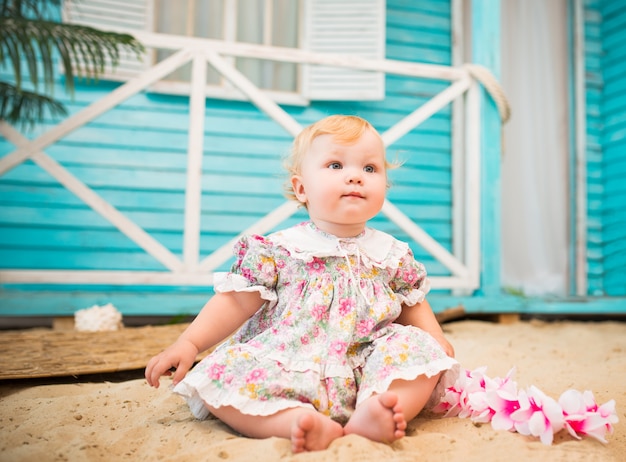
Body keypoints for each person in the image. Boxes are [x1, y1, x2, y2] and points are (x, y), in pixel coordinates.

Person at [145, 114, 459, 453]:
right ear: (302, 188)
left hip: (369, 358)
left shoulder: (391, 254)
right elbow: (236, 301)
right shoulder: (281, 249)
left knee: (422, 353)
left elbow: (411, 301)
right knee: (222, 374)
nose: (355, 176)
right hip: (291, 357)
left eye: (370, 169)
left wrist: (435, 335)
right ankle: (294, 420)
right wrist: (190, 343)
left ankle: (378, 408)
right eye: (336, 165)